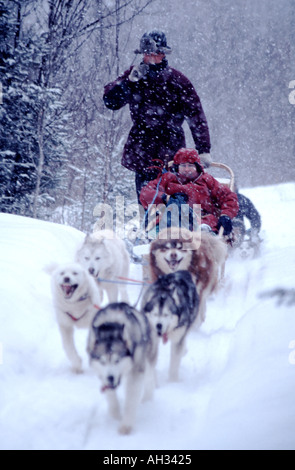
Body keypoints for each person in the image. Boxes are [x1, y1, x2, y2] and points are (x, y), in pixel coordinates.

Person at [103, 30, 211, 203]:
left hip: (172, 147)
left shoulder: (177, 80)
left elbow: (196, 116)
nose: (151, 58)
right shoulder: (133, 76)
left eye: (155, 53)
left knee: (174, 197)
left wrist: (204, 149)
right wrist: (128, 84)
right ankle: (148, 228)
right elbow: (110, 102)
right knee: (145, 197)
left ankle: (174, 228)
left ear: (163, 54)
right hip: (142, 147)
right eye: (147, 54)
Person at [139, 148, 239, 235]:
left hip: (201, 219)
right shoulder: (167, 179)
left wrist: (225, 215)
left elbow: (229, 198)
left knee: (203, 234)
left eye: (190, 165)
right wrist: (165, 197)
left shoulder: (207, 180)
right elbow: (145, 193)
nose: (186, 169)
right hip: (169, 219)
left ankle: (203, 240)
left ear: (197, 167)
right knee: (158, 233)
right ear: (177, 167)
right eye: (183, 165)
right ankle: (153, 243)